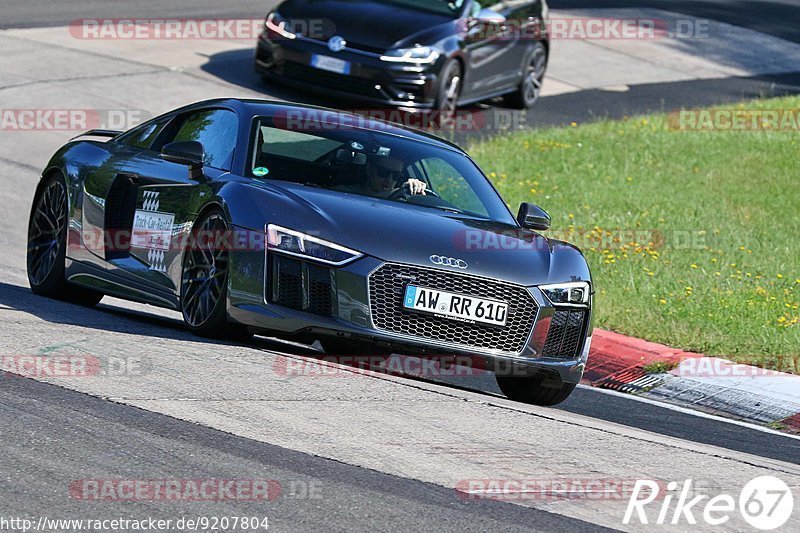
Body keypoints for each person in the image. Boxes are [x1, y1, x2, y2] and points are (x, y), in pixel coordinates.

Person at [336, 156, 427, 198]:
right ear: (369, 169)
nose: (389, 180)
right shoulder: (342, 194)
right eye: (383, 172)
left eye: (396, 176)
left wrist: (414, 188)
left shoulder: (401, 198)